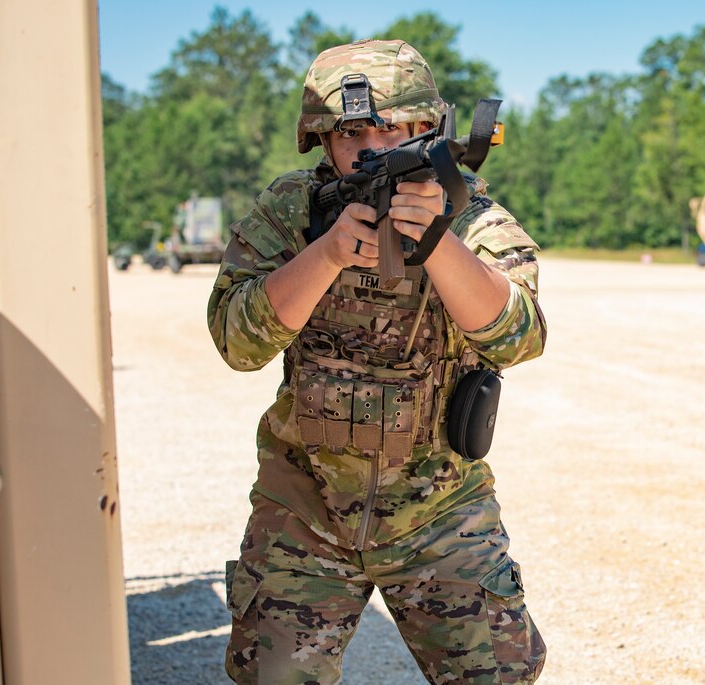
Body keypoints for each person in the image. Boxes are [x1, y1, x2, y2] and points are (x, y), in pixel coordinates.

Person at [208, 39, 547, 684]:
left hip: (439, 513)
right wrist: (328, 255)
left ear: (429, 130)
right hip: (303, 510)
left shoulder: (469, 212)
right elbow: (235, 342)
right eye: (351, 131)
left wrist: (438, 244)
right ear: (323, 142)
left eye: (391, 128)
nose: (370, 147)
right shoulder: (293, 210)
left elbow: (519, 338)